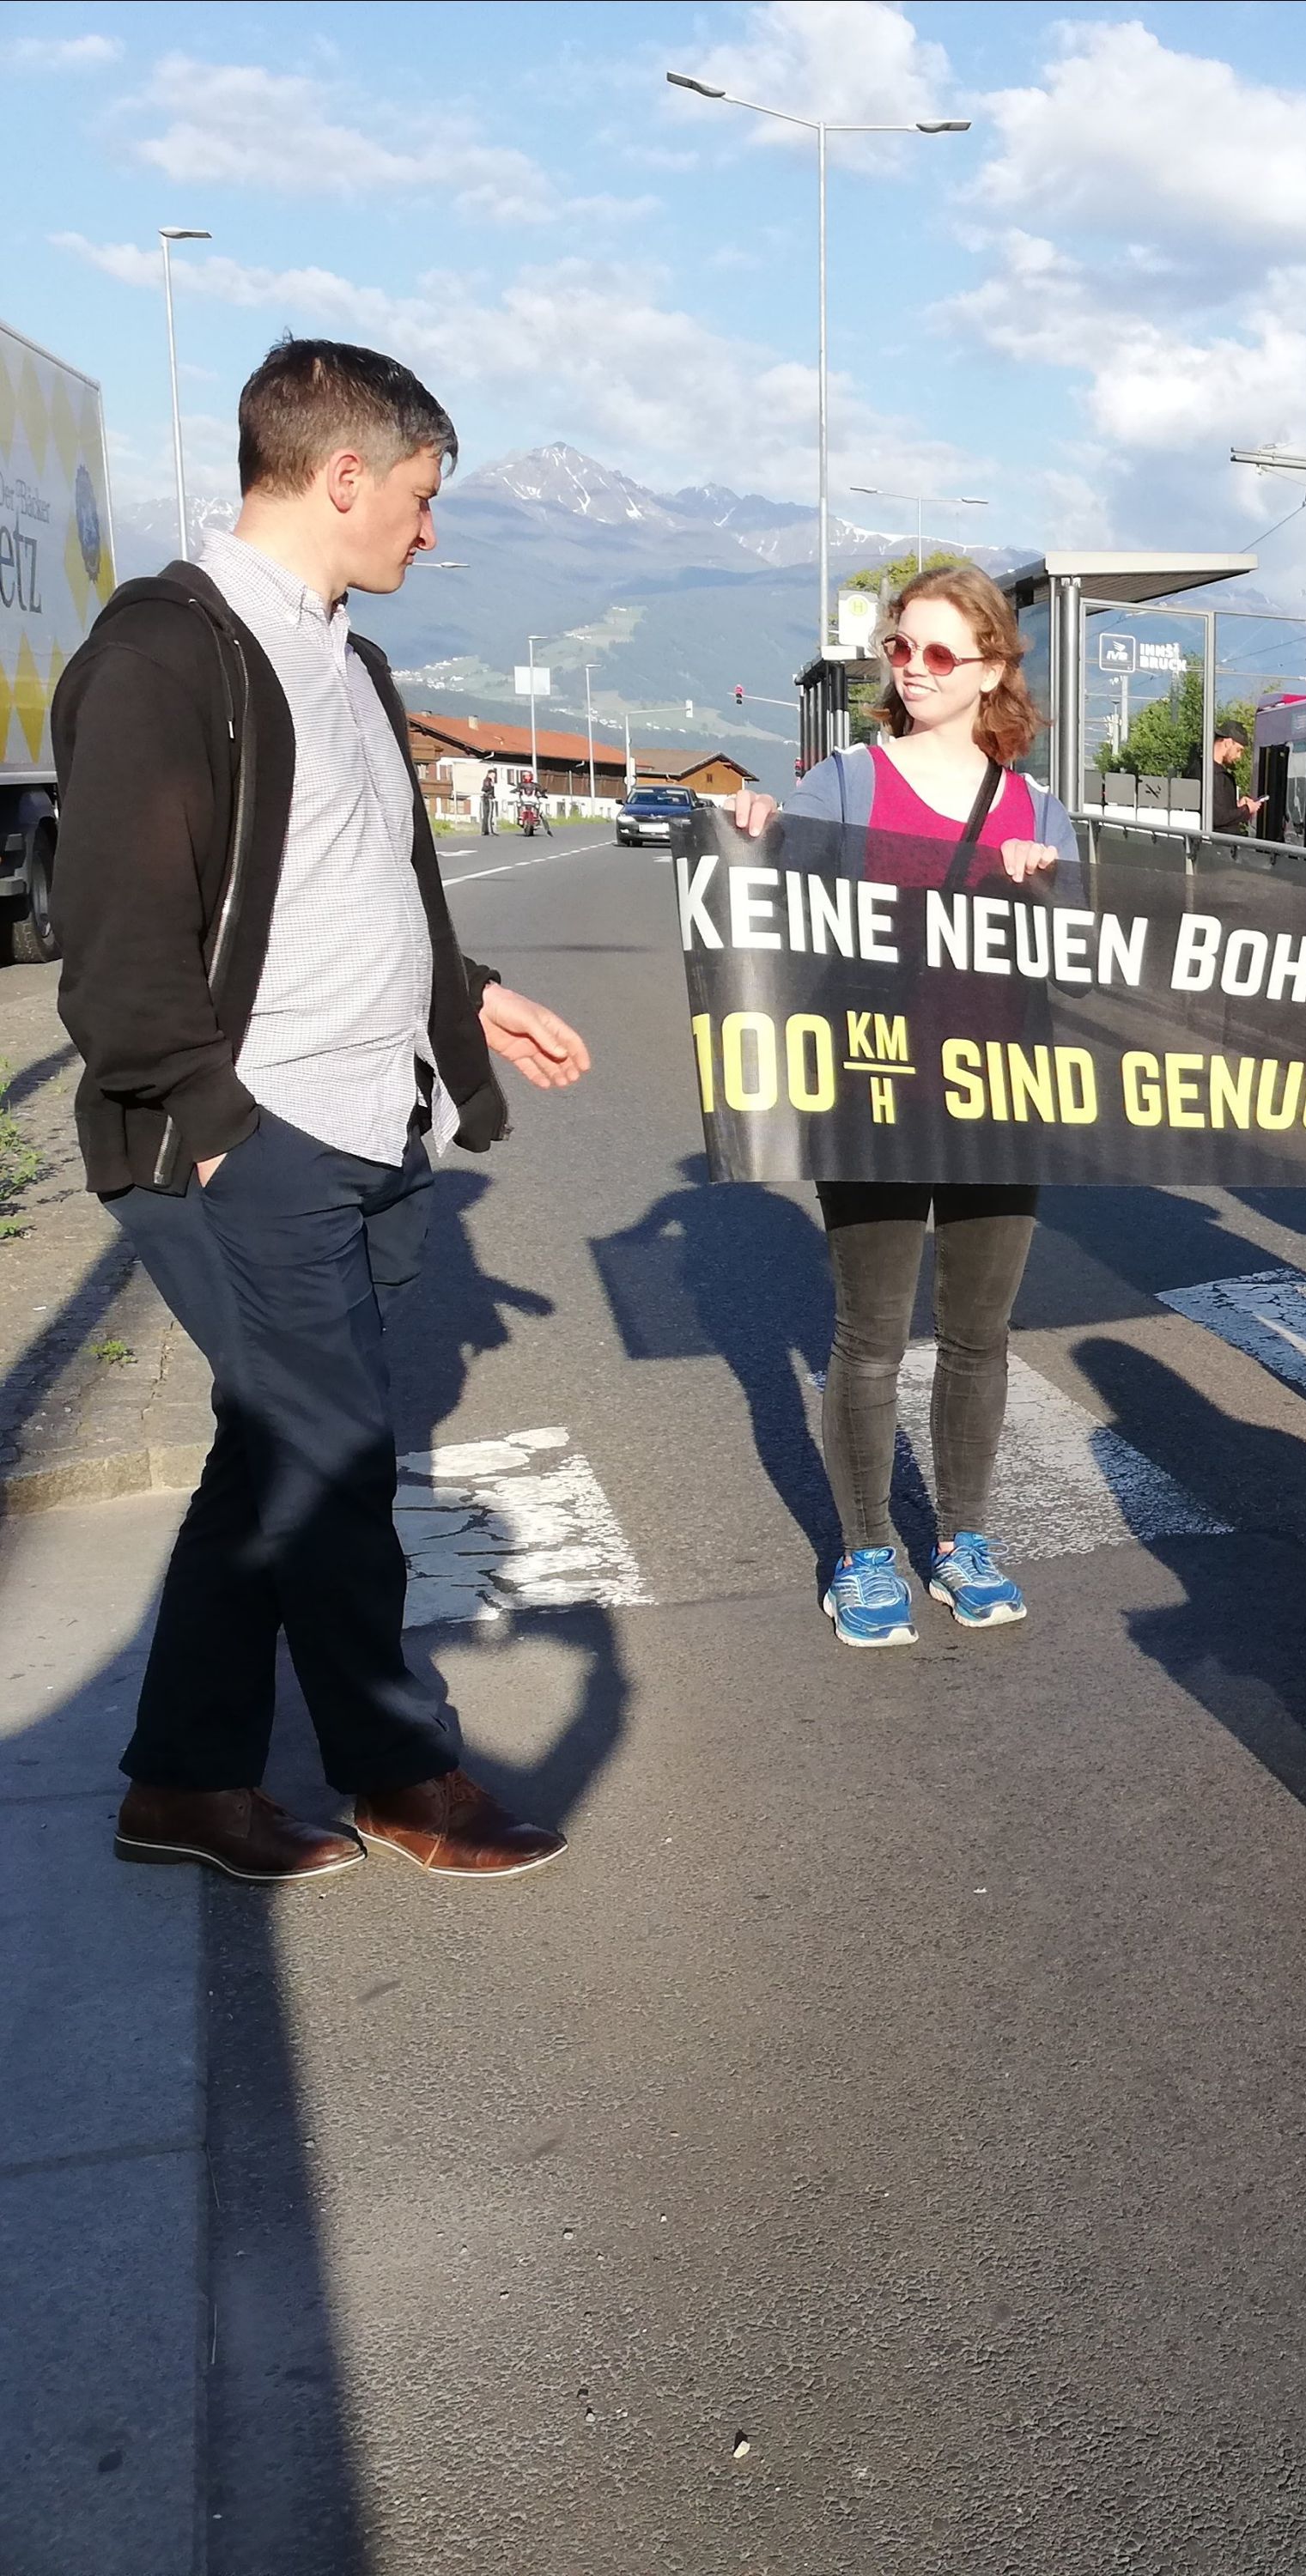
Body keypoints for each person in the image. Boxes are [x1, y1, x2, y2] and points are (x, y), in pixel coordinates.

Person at [50, 336, 591, 1884]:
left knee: (272, 1462)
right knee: (342, 1465)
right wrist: (220, 1127)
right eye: (421, 498)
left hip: (367, 1124)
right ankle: (405, 1774)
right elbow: (120, 938)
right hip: (255, 1140)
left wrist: (466, 993)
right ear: (343, 476)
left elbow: (357, 879)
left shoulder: (346, 657)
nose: (433, 529)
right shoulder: (170, 654)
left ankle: (184, 1786)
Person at [720, 564, 1077, 1646]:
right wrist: (750, 828)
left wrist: (1051, 887)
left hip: (997, 1099)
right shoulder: (846, 782)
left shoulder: (1039, 806)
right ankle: (866, 1549)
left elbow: (1085, 970)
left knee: (978, 1335)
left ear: (993, 670)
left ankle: (963, 1536)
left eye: (938, 654)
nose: (913, 671)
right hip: (871, 1088)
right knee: (869, 1338)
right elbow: (768, 893)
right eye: (900, 650)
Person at [1207, 732, 1260, 836]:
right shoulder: (1212, 773)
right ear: (1228, 743)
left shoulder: (1214, 772)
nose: (1239, 756)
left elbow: (1218, 808)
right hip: (1219, 843)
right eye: (1238, 750)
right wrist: (1246, 810)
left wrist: (1237, 806)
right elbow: (1217, 817)